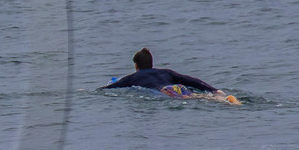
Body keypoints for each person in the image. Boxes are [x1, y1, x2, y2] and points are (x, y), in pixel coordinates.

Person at [102, 47, 240, 104]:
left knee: (192, 100)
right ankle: (226, 99)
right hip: (177, 87)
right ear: (151, 63)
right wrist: (214, 90)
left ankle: (226, 102)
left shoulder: (133, 78)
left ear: (136, 66)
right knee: (198, 96)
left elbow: (110, 88)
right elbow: (191, 80)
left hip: (166, 92)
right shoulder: (165, 72)